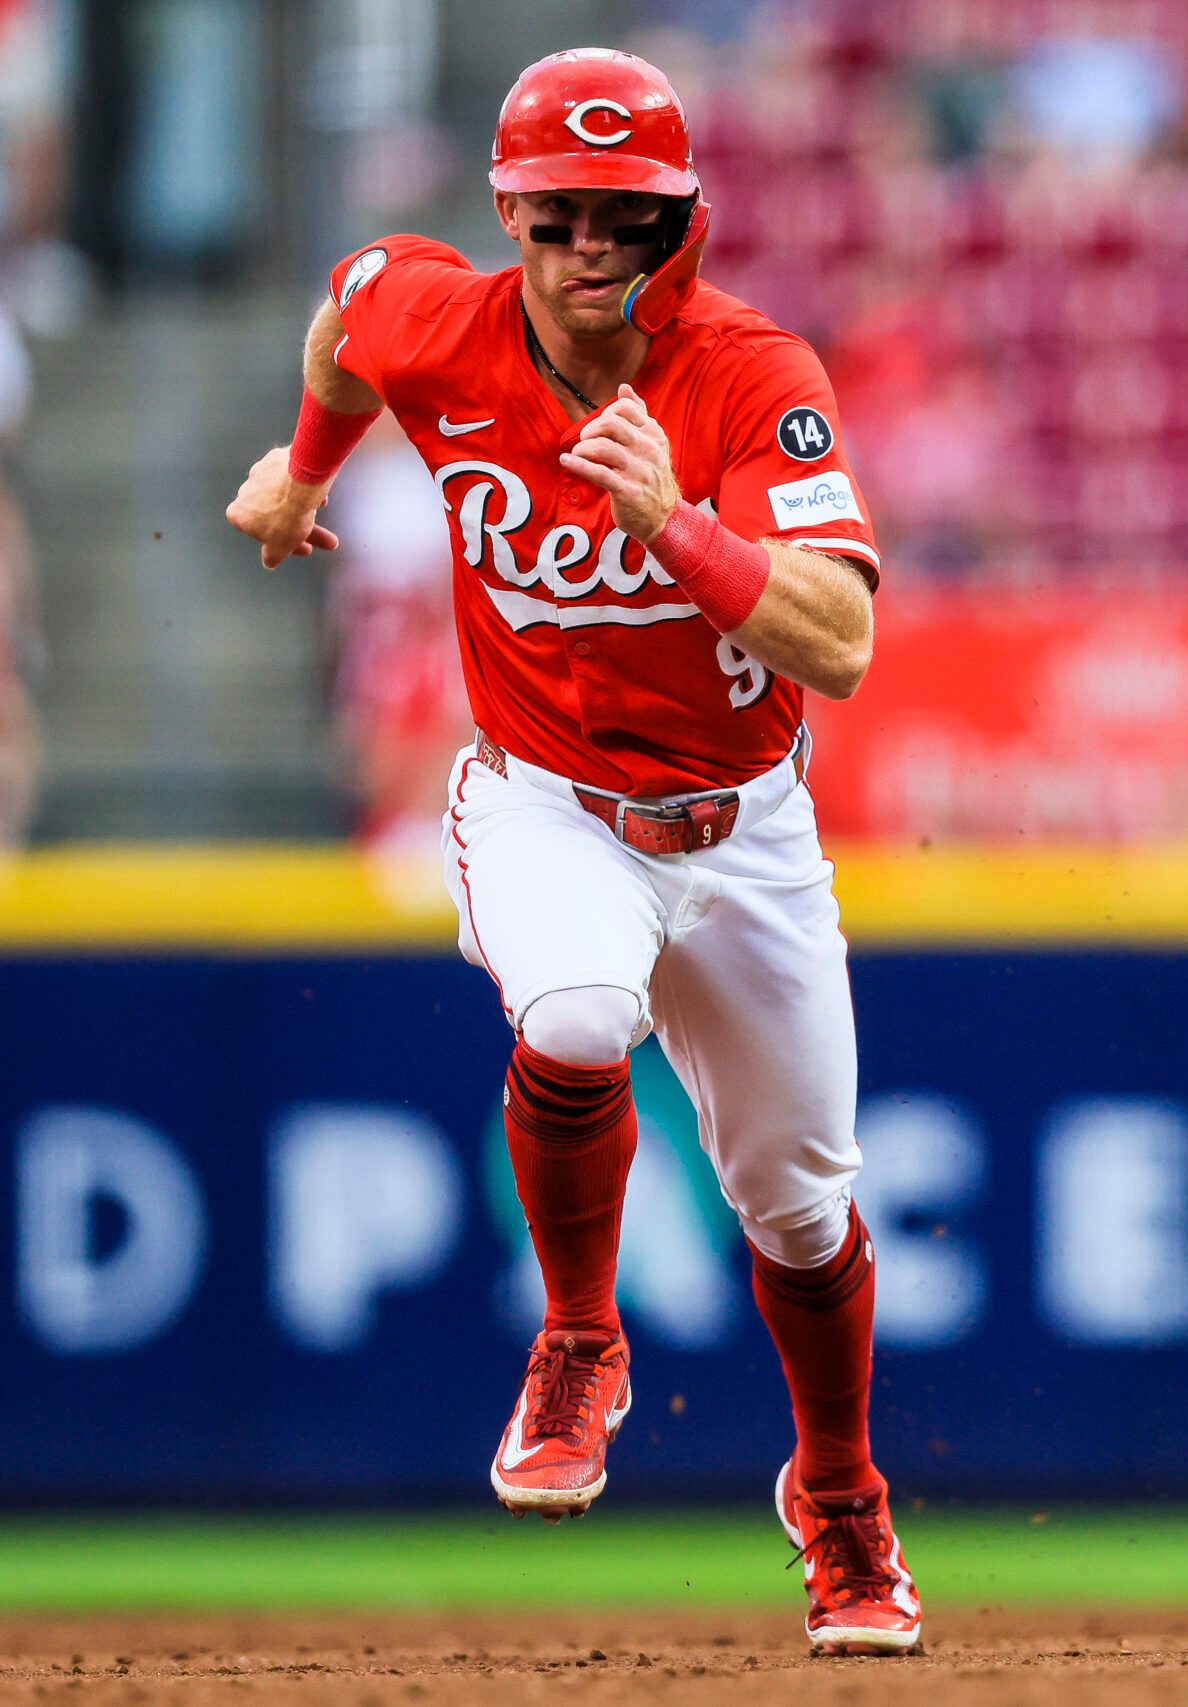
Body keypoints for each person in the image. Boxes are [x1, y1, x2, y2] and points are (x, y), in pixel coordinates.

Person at [222, 49, 917, 1655]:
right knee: (581, 1016)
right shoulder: (438, 315)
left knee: (804, 1211)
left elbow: (843, 644)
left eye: (628, 215)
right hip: (541, 790)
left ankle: (840, 1500)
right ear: (510, 214)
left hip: (742, 827)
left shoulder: (749, 370)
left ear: (683, 225)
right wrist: (306, 469)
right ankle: (582, 1341)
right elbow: (350, 312)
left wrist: (680, 520)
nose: (590, 244)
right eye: (557, 214)